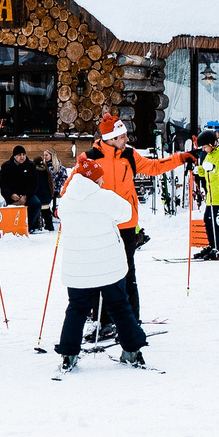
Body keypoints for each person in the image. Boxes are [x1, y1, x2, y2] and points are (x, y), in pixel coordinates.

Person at [79, 114, 192, 329]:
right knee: (99, 272)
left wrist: (179, 158)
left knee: (127, 271)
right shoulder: (90, 158)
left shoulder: (129, 155)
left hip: (127, 225)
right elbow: (76, 188)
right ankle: (102, 320)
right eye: (122, 137)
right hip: (100, 225)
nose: (126, 140)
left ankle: (132, 318)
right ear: (110, 139)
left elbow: (154, 167)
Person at [50, 155, 152, 373]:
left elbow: (60, 215)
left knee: (76, 308)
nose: (103, 182)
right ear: (92, 180)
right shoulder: (105, 197)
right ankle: (132, 350)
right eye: (100, 179)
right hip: (109, 266)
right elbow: (127, 213)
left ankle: (68, 353)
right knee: (119, 306)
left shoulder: (66, 200)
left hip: (77, 268)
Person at [192, 128, 219, 259]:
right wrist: (198, 170)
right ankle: (214, 245)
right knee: (208, 219)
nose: (204, 150)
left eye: (205, 147)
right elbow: (207, 170)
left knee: (217, 220)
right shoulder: (210, 154)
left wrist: (212, 168)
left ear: (212, 144)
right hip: (212, 195)